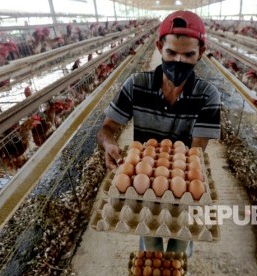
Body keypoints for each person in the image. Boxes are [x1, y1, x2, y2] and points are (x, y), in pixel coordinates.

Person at [96, 10, 221, 255]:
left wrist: (175, 179)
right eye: (171, 52)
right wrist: (109, 144)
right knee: (151, 247)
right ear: (159, 47)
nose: (179, 61)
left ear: (201, 53)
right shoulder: (136, 85)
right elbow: (106, 129)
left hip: (181, 186)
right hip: (142, 187)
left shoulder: (208, 95)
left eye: (188, 55)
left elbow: (194, 155)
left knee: (179, 248)